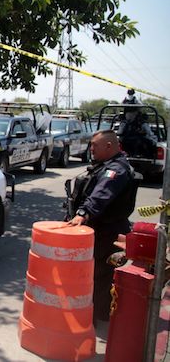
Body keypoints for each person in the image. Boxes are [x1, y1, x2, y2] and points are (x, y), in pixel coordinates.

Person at [66, 130, 138, 322]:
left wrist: (83, 213)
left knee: (99, 275)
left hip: (108, 232)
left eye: (94, 146)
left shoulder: (116, 170)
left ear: (109, 146)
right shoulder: (106, 165)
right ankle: (96, 312)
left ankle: (95, 316)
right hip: (101, 230)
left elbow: (101, 194)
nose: (91, 149)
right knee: (96, 274)